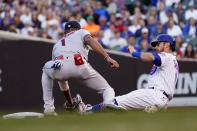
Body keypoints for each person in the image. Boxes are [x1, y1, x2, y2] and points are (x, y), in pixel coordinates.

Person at [79, 34, 179, 113]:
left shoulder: (167, 56)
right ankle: (151, 109)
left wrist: (134, 53)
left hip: (154, 94)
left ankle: (87, 111)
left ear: (167, 44)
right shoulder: (173, 61)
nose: (156, 47)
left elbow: (151, 57)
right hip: (163, 101)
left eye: (158, 44)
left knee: (114, 102)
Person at [41, 21, 119, 115]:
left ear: (65, 32)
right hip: (80, 64)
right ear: (78, 28)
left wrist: (70, 101)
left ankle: (49, 109)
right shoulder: (81, 32)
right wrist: (107, 57)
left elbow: (61, 81)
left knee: (46, 70)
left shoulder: (57, 44)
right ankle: (108, 102)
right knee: (107, 89)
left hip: (61, 66)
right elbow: (89, 40)